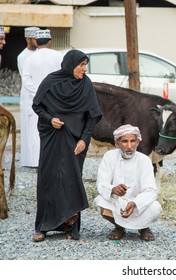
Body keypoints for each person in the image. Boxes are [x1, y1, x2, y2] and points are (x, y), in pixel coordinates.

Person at [31, 49, 102, 242]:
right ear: (70, 65)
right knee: (49, 179)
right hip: (53, 137)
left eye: (85, 65)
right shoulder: (51, 81)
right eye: (81, 65)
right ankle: (43, 226)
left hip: (76, 141)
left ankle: (71, 227)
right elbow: (37, 105)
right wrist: (50, 119)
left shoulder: (85, 84)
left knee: (72, 180)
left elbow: (92, 115)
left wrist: (84, 139)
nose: (84, 69)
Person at [93, 124, 162, 241]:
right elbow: (101, 184)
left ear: (138, 142)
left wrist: (135, 203)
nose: (129, 146)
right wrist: (112, 189)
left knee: (155, 207)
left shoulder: (144, 160)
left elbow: (150, 190)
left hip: (138, 205)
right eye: (125, 141)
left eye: (133, 141)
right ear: (117, 143)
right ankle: (119, 227)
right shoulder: (109, 157)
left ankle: (144, 227)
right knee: (99, 202)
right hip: (117, 202)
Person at [22, 29, 63, 167]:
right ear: (50, 42)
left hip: (37, 101)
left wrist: (38, 94)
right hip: (57, 100)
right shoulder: (59, 56)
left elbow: (26, 80)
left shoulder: (29, 58)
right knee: (57, 128)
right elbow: (64, 77)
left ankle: (36, 162)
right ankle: (55, 159)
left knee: (35, 129)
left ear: (37, 42)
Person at [17, 27, 40, 168]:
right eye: (34, 39)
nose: (37, 41)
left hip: (40, 95)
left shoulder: (40, 54)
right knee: (28, 128)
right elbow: (26, 79)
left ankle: (37, 158)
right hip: (28, 96)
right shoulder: (22, 56)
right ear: (28, 39)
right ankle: (29, 160)